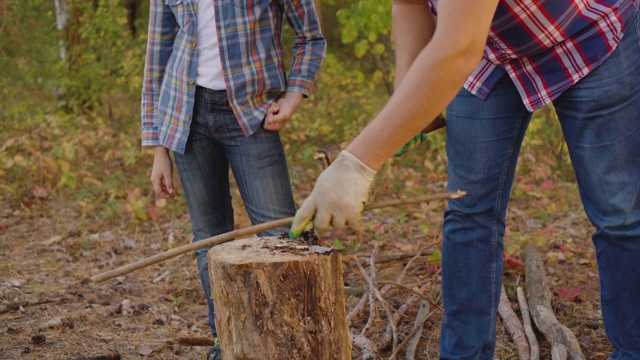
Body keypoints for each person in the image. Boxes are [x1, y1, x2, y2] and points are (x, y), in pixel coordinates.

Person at [290, 0, 640, 358]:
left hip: (582, 31)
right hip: (488, 51)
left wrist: (358, 164)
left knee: (619, 211)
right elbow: (409, 4)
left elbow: (457, 49)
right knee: (468, 209)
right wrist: (408, 100)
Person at [141, 0, 325, 358]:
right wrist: (158, 147)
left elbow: (310, 36)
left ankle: (290, 345)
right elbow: (157, 54)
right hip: (185, 115)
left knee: (280, 236)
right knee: (209, 239)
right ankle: (225, 343)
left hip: (252, 115)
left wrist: (293, 95)